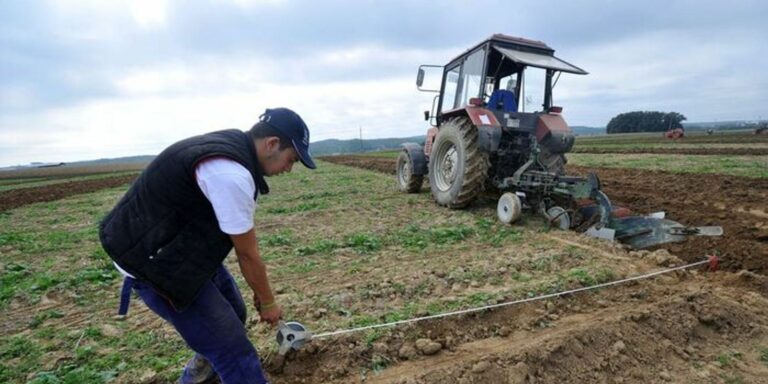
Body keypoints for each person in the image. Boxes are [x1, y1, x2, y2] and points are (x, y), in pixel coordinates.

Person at [99, 107, 316, 383]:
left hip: (176, 246)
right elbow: (248, 254)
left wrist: (261, 297)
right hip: (154, 263)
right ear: (272, 144)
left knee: (234, 313)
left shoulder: (234, 149)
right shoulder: (231, 174)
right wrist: (269, 302)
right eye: (291, 159)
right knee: (234, 351)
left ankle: (203, 374)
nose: (289, 168)